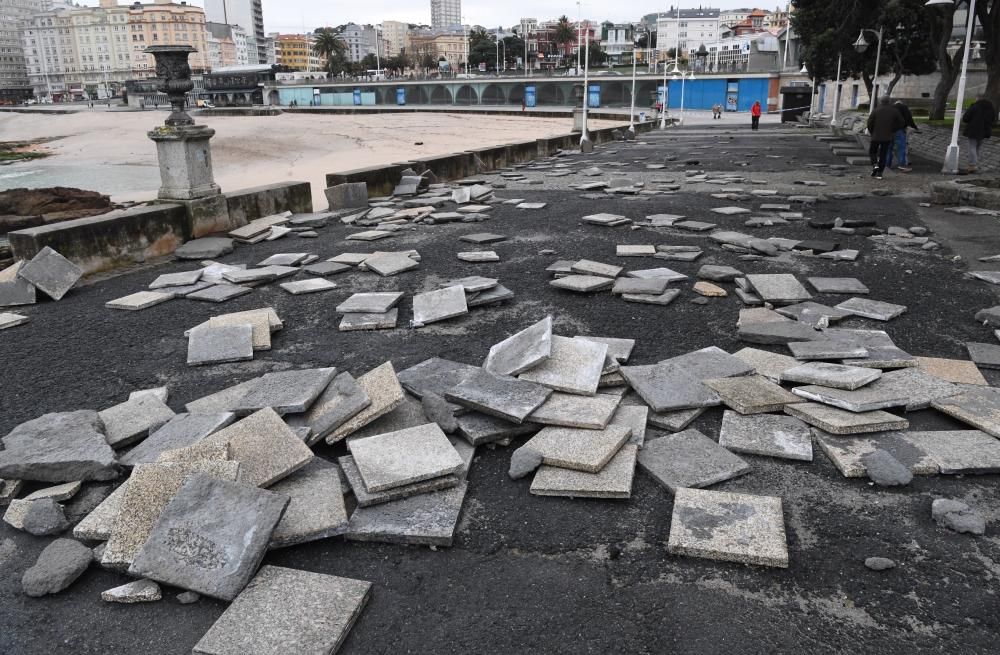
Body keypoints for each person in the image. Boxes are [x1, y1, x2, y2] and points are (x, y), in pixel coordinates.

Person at [867, 96, 905, 180]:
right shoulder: (894, 111)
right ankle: (880, 173)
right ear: (889, 101)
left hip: (876, 135)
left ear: (881, 101)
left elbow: (869, 122)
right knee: (883, 154)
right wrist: (893, 129)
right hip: (887, 136)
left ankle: (874, 164)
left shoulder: (876, 110)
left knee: (872, 151)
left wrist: (872, 131)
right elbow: (902, 122)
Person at [962, 94, 997, 174]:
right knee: (977, 147)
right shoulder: (990, 108)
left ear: (978, 99)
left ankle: (972, 165)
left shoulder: (975, 107)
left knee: (972, 147)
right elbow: (993, 120)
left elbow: (965, 118)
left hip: (973, 130)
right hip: (984, 131)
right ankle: (974, 164)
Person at [887, 99, 920, 172]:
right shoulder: (904, 107)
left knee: (888, 148)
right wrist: (914, 127)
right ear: (901, 103)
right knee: (901, 148)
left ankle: (887, 165)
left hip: (888, 130)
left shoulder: (890, 107)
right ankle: (901, 165)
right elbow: (909, 118)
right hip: (899, 130)